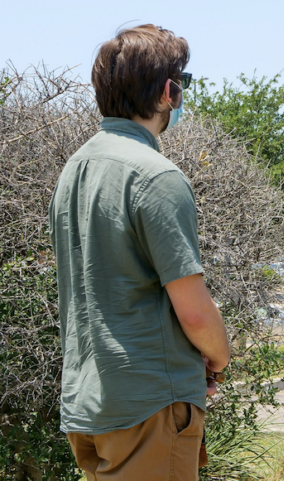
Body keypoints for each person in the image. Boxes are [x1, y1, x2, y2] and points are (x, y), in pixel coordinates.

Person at [49, 24, 230, 480]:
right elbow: (193, 312)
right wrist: (219, 356)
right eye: (182, 83)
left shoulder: (73, 170)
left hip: (89, 402)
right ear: (170, 92)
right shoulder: (157, 176)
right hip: (148, 405)